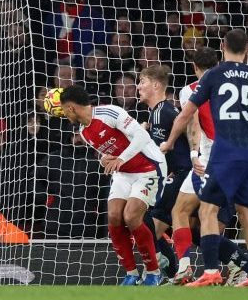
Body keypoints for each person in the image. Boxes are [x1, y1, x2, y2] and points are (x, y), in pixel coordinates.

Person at [160, 29, 248, 287]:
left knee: (207, 210)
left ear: (223, 46)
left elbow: (187, 116)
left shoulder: (214, 76)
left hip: (223, 154)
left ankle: (210, 271)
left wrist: (168, 143)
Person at [59, 85, 167, 286]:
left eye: (64, 110)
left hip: (148, 167)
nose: (64, 114)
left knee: (131, 216)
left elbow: (142, 137)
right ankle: (131, 273)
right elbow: (109, 151)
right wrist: (104, 160)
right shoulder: (83, 131)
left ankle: (154, 271)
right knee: (114, 216)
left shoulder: (110, 112)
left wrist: (120, 159)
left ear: (71, 108)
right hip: (124, 173)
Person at [171, 47, 248, 286]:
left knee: (185, 212)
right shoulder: (234, 86)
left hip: (208, 157)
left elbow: (192, 125)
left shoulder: (190, 90)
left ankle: (191, 268)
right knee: (246, 216)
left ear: (194, 67)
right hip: (240, 155)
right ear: (217, 64)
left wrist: (194, 153)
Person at [137, 65, 191, 280]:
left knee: (146, 224)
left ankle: (159, 271)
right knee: (150, 223)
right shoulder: (159, 112)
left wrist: (141, 137)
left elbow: (158, 153)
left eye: (142, 81)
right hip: (179, 172)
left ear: (156, 85)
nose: (138, 86)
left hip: (179, 173)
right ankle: (171, 273)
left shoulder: (160, 112)